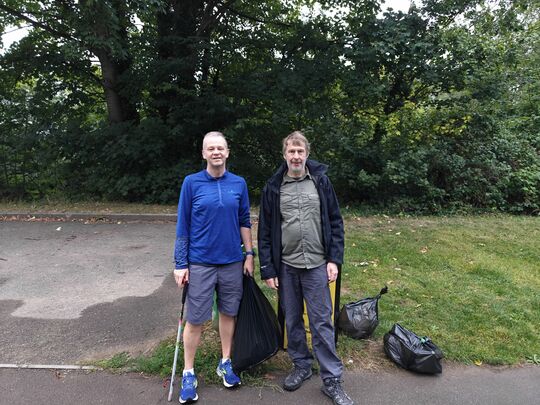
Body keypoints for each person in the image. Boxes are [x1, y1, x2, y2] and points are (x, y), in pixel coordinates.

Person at [257, 131, 354, 405]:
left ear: (307, 154)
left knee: (322, 321)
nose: (296, 156)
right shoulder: (274, 187)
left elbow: (335, 222)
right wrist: (268, 269)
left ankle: (332, 379)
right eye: (291, 152)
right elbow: (265, 231)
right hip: (286, 266)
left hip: (317, 265)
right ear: (284, 155)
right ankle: (301, 365)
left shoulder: (321, 182)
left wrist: (334, 260)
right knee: (292, 320)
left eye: (300, 152)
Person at [173, 131, 254, 404]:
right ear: (204, 153)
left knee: (229, 312)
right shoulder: (191, 183)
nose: (216, 152)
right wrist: (180, 263)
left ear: (228, 152)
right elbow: (183, 225)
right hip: (201, 262)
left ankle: (226, 362)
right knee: (196, 318)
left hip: (232, 260)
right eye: (211, 148)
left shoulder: (239, 184)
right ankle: (188, 372)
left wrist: (250, 254)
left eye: (220, 147)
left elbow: (245, 220)